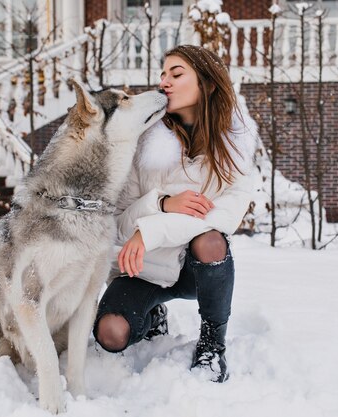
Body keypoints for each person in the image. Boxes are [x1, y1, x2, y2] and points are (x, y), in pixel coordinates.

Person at [93, 44, 257, 383]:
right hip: (140, 268)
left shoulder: (235, 150)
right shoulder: (143, 142)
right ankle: (153, 316)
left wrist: (151, 230)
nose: (164, 82)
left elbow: (221, 219)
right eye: (163, 74)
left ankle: (212, 343)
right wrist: (162, 202)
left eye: (176, 74)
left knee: (211, 241)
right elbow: (118, 224)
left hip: (194, 272)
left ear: (207, 84)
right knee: (110, 334)